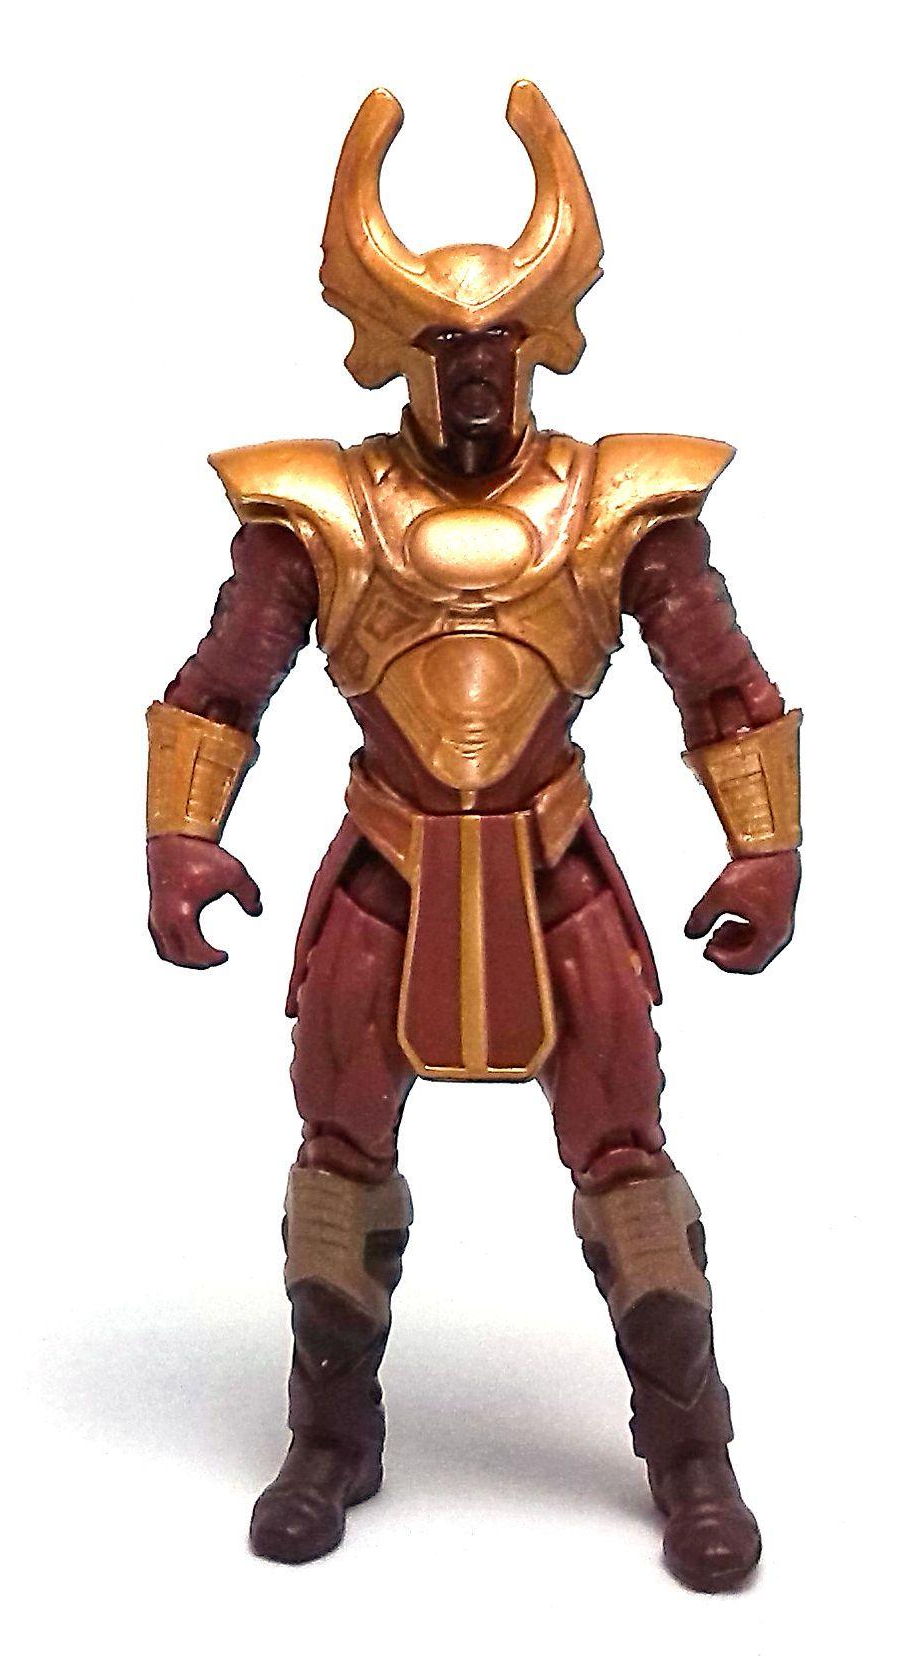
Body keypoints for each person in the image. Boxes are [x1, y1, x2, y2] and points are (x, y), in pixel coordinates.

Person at [146, 82, 801, 1591]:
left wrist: (763, 845)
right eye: (447, 349)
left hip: (554, 868)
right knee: (338, 1159)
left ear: (542, 342)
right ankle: (330, 1434)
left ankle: (690, 1450)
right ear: (398, 353)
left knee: (627, 1165)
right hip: (385, 872)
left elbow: (722, 682)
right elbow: (224, 682)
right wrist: (183, 832)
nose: (478, 375)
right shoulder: (321, 507)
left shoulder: (616, 501)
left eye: (499, 344)